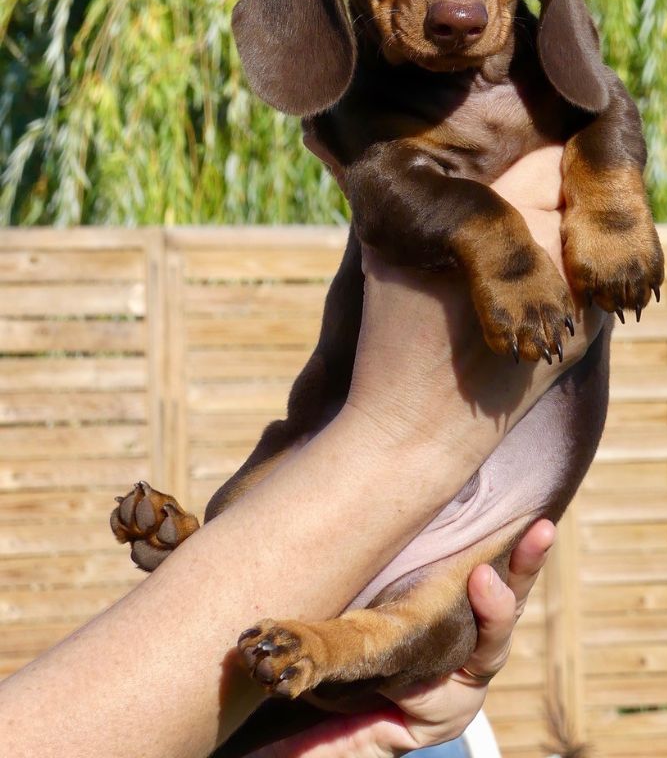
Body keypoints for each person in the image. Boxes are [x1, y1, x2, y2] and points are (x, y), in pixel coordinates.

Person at [0, 145, 603, 758]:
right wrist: (402, 437)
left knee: (429, 627)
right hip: (378, 673)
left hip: (409, 665)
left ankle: (224, 569)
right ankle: (288, 619)